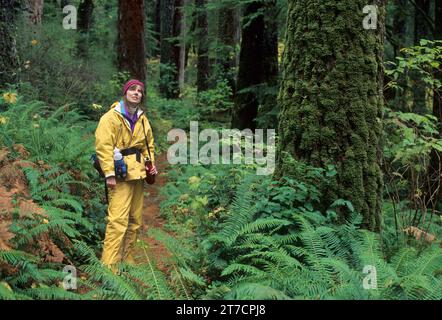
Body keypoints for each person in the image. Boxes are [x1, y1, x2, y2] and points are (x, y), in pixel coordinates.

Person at [95, 79, 158, 271]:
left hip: (138, 174)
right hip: (119, 175)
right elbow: (103, 147)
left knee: (135, 221)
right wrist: (109, 174)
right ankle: (109, 268)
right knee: (117, 222)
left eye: (140, 91)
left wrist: (150, 165)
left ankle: (127, 260)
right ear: (125, 93)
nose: (137, 93)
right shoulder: (110, 118)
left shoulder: (142, 119)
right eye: (133, 89)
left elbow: (149, 146)